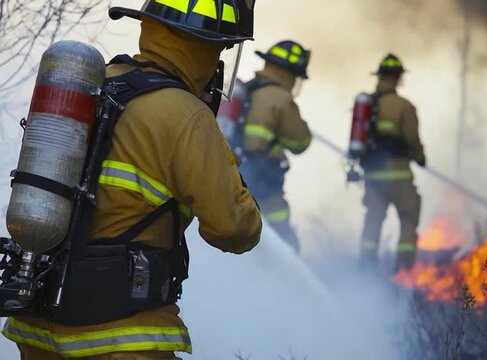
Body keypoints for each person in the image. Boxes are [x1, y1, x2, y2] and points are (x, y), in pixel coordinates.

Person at [2, 1, 262, 359]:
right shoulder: (185, 114)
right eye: (222, 47)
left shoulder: (94, 83)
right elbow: (233, 229)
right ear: (204, 45)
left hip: (36, 329)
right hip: (123, 337)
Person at [238, 40, 312, 253]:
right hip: (265, 182)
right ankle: (286, 283)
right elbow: (300, 143)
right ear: (289, 73)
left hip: (237, 177)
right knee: (285, 240)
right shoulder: (281, 99)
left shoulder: (247, 88)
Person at [358, 53, 426, 272]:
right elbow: (412, 140)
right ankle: (404, 270)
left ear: (379, 76)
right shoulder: (404, 106)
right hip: (398, 176)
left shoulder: (366, 105)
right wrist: (420, 157)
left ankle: (366, 267)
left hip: (372, 176)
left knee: (373, 220)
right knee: (408, 217)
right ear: (398, 77)